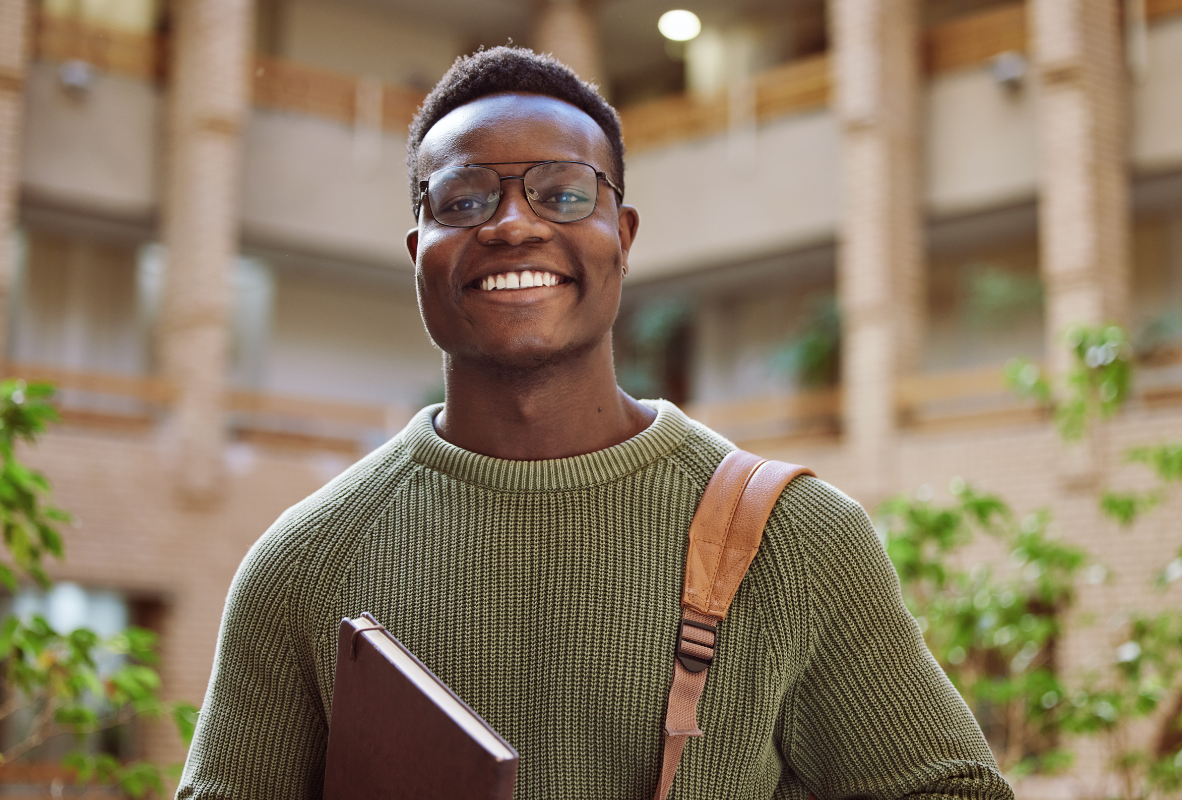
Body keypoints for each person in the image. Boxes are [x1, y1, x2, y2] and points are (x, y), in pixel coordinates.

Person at [177, 46, 1014, 800]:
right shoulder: (302, 564)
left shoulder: (794, 541)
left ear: (623, 235)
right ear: (418, 252)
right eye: (464, 199)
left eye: (563, 193)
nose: (512, 224)